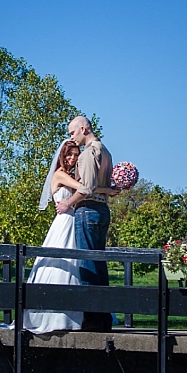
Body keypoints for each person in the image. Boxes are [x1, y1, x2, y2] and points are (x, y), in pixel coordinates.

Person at [55, 115, 115, 332]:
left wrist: (68, 204)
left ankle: (92, 318)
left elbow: (86, 188)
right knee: (100, 263)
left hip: (88, 210)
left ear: (83, 129)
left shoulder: (89, 153)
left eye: (73, 133)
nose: (72, 137)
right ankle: (104, 316)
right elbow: (100, 184)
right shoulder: (106, 151)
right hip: (102, 210)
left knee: (87, 264)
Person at [24, 139, 85, 334]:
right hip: (63, 222)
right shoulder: (60, 175)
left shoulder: (70, 175)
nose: (73, 158)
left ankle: (71, 312)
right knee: (60, 262)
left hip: (72, 220)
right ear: (62, 155)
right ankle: (53, 314)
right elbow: (85, 188)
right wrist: (105, 187)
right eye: (70, 154)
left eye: (76, 155)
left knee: (74, 264)